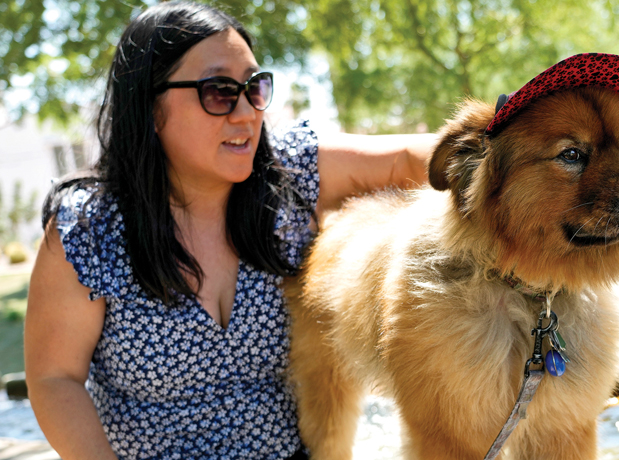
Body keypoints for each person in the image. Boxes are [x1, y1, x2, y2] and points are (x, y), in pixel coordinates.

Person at [23, 2, 436, 459]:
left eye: (255, 89)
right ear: (150, 105)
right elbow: (54, 378)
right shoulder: (89, 229)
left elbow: (411, 160)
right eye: (219, 92)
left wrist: (510, 132)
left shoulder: (290, 174)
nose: (246, 113)